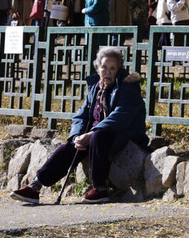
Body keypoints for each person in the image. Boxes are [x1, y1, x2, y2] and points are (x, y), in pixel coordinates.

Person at [10, 45, 149, 204]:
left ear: (118, 69)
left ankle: (100, 189)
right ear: (97, 68)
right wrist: (77, 136)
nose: (108, 72)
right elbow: (81, 116)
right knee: (70, 147)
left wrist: (91, 133)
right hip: (97, 134)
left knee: (99, 136)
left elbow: (122, 116)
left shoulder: (127, 88)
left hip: (123, 133)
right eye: (104, 67)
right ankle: (35, 186)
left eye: (113, 68)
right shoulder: (95, 87)